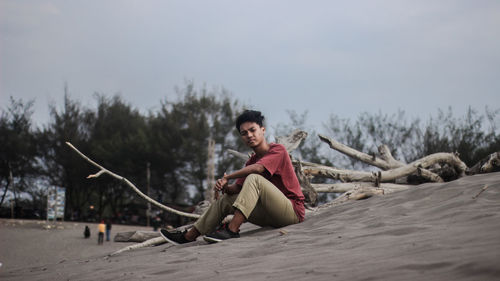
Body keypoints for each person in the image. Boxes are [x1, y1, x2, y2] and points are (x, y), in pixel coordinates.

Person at [161, 110, 305, 244]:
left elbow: (258, 169)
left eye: (252, 130)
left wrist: (228, 176)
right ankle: (189, 236)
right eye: (244, 133)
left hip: (292, 213)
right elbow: (235, 189)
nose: (249, 135)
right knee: (227, 198)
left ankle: (232, 230)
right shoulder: (251, 161)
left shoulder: (277, 150)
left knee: (254, 178)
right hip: (271, 216)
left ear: (263, 130)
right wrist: (225, 187)